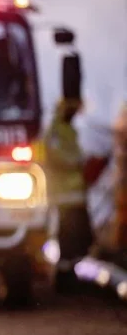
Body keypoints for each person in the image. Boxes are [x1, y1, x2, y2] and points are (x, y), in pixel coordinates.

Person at [39, 99, 95, 293]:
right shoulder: (55, 131)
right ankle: (64, 279)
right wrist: (79, 161)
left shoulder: (69, 130)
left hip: (76, 196)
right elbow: (55, 154)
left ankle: (72, 274)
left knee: (81, 238)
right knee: (68, 239)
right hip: (64, 198)